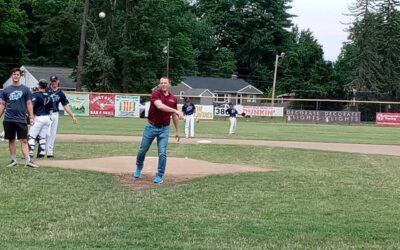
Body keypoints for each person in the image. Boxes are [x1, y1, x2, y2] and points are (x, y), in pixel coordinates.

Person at [133, 76, 182, 184]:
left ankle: (160, 175)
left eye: (165, 83)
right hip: (151, 127)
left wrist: (177, 131)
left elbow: (174, 116)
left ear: (169, 84)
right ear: (159, 84)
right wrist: (175, 110)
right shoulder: (156, 94)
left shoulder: (173, 99)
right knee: (142, 150)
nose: (163, 85)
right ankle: (138, 168)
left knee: (162, 153)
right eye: (161, 83)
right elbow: (160, 106)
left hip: (164, 129)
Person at [0, 68, 38, 168]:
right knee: (11, 140)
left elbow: (29, 104)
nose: (16, 76)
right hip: (9, 119)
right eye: (14, 74)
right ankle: (13, 160)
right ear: (11, 76)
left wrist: (31, 116)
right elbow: (2, 105)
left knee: (24, 140)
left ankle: (28, 161)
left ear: (20, 76)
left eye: (17, 74)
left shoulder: (25, 89)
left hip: (21, 119)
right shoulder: (6, 90)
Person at [46, 75, 77, 158]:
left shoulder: (60, 93)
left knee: (53, 134)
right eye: (52, 81)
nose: (53, 83)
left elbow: (65, 106)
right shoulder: (47, 90)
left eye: (55, 81)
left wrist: (72, 115)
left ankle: (49, 152)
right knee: (45, 133)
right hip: (46, 113)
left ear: (58, 82)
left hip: (55, 113)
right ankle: (41, 150)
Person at [28, 79, 53, 158]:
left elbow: (32, 105)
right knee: (42, 136)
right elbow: (51, 109)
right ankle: (42, 152)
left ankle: (30, 152)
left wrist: (30, 115)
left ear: (39, 86)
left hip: (39, 117)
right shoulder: (49, 95)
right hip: (47, 117)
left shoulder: (36, 94)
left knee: (31, 136)